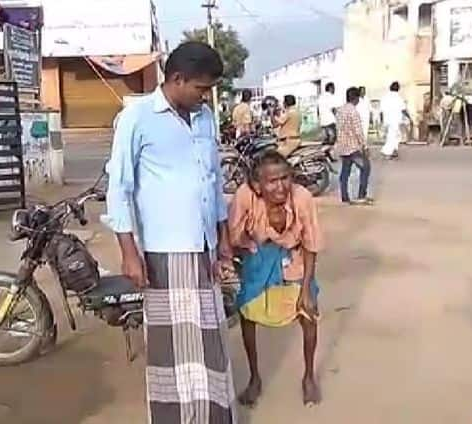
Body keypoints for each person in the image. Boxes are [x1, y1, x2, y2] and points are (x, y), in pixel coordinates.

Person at [103, 41, 237, 424]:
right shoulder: (137, 118)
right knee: (172, 349)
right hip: (164, 253)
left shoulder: (205, 118)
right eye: (200, 88)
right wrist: (129, 253)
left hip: (204, 249)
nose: (205, 96)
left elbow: (213, 183)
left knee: (208, 343)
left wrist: (224, 238)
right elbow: (120, 189)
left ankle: (212, 415)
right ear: (177, 79)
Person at [228, 150, 322, 407]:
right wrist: (251, 252)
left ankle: (309, 377)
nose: (280, 186)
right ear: (258, 185)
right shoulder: (245, 197)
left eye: (285, 178)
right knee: (247, 312)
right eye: (272, 181)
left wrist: (305, 291)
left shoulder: (302, 198)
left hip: (295, 258)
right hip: (258, 256)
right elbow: (234, 237)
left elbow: (311, 243)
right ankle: (255, 378)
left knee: (309, 313)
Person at [335, 87, 373, 205]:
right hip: (353, 147)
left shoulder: (340, 110)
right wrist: (365, 146)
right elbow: (358, 131)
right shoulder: (353, 112)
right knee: (365, 167)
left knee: (345, 172)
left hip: (343, 146)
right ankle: (361, 195)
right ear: (356, 98)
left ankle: (344, 196)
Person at [380, 81, 411, 159]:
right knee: (393, 136)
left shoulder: (385, 97)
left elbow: (381, 110)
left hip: (387, 119)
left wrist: (382, 120)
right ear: (398, 88)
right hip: (395, 120)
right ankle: (387, 152)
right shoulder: (398, 98)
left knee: (395, 136)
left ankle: (394, 150)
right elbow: (403, 110)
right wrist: (409, 117)